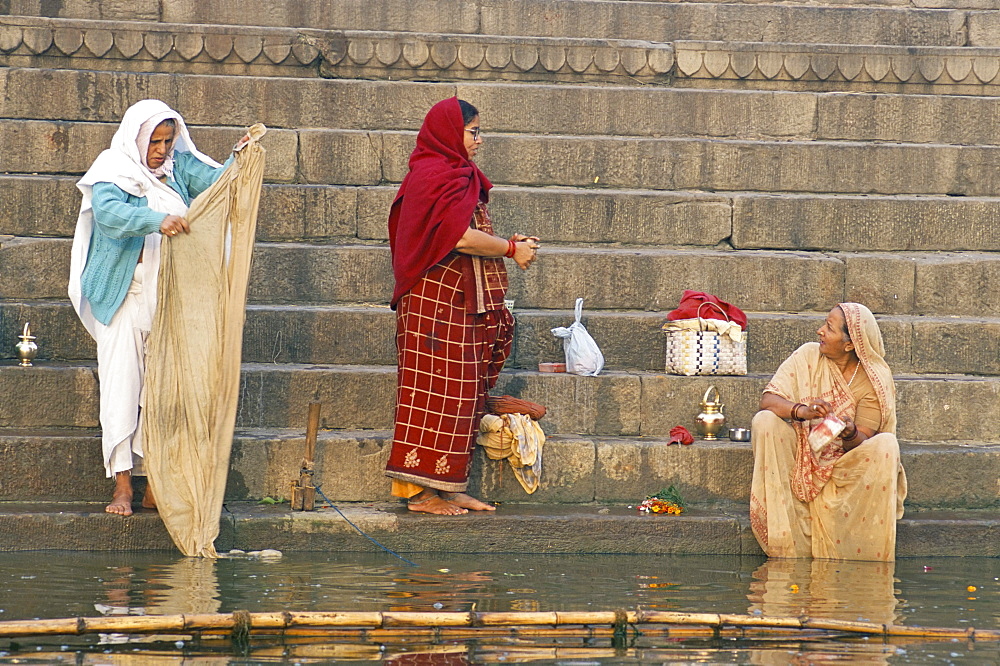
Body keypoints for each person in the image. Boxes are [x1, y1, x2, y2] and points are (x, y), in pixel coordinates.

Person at [68, 99, 242, 516]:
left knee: (163, 392)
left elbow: (220, 184)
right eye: (156, 141)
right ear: (136, 138)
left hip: (169, 300)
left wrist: (242, 160)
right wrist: (155, 220)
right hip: (123, 297)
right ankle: (123, 488)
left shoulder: (178, 168)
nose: (162, 150)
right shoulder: (114, 170)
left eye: (168, 140)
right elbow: (110, 216)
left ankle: (155, 485)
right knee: (122, 387)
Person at [384, 97, 540, 515]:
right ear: (451, 133)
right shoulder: (432, 176)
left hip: (461, 305)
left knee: (463, 397)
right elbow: (459, 237)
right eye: (473, 132)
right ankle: (419, 495)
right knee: (430, 396)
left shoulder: (460, 175)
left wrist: (510, 246)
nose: (479, 140)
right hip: (433, 304)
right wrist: (511, 248)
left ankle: (449, 487)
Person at [749, 302, 908, 561]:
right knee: (764, 420)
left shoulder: (874, 380)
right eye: (824, 324)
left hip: (844, 466)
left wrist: (849, 433)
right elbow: (768, 400)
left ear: (849, 344)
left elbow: (865, 440)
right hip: (800, 455)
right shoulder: (808, 355)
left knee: (886, 444)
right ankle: (786, 541)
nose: (819, 331)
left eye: (829, 328)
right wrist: (802, 410)